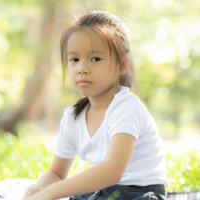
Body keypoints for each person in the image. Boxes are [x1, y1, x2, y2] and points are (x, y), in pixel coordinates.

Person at [23, 11, 168, 200]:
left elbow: (111, 172)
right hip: (101, 192)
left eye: (95, 59)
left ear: (122, 65)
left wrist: (51, 192)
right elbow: (57, 174)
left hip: (138, 192)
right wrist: (38, 190)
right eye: (74, 59)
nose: (82, 68)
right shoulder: (73, 117)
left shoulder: (126, 107)